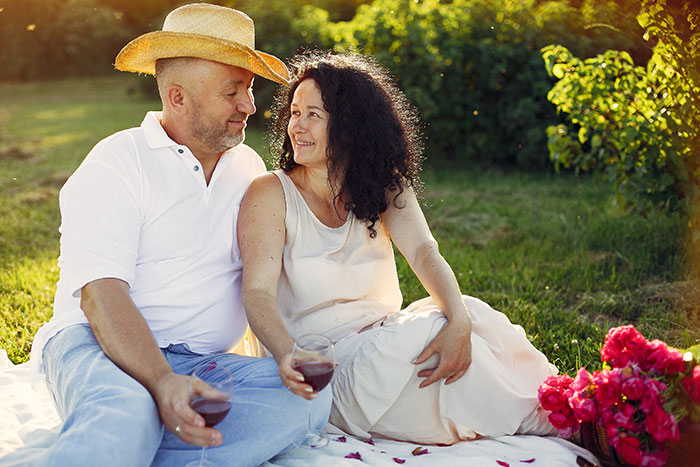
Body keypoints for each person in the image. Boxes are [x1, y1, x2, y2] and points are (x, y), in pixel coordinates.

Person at [29, 4, 331, 466]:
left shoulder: (248, 170)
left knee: (306, 400)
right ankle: (135, 426)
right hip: (99, 342)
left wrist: (285, 353)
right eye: (234, 91)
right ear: (178, 97)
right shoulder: (119, 161)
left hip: (201, 362)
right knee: (127, 409)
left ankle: (137, 443)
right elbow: (100, 295)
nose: (250, 105)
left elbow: (260, 280)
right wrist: (160, 381)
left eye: (249, 90)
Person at [238, 51, 559, 445]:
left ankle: (567, 404)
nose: (296, 127)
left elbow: (424, 250)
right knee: (442, 351)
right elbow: (256, 292)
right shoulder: (271, 193)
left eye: (313, 115)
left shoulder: (382, 184)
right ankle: (570, 419)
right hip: (323, 371)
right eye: (294, 112)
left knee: (467, 315)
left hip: (385, 344)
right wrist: (289, 355)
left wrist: (458, 320)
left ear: (351, 126)